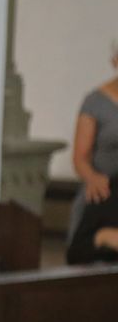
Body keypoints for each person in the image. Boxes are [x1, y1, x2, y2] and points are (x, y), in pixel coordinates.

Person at [68, 46, 118, 240]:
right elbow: (80, 158)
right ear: (115, 61)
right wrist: (93, 178)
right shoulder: (95, 102)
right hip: (104, 191)